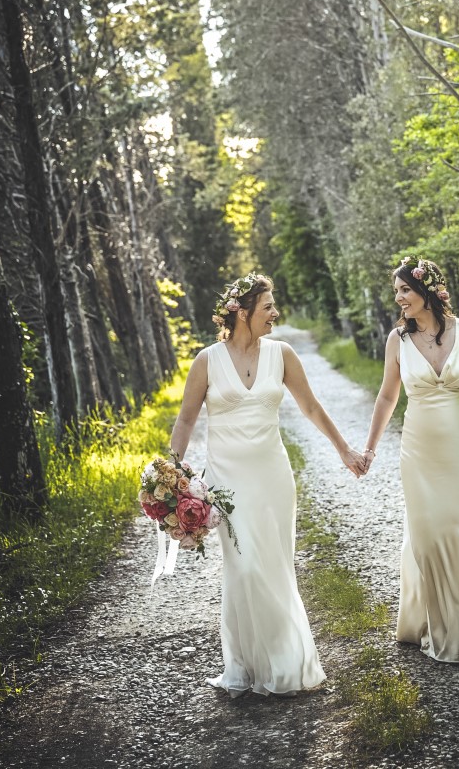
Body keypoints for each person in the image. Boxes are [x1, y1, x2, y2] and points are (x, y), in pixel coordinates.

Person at [168, 272, 366, 697]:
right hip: (226, 484)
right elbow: (186, 419)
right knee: (244, 568)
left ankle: (284, 662)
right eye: (267, 308)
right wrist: (173, 473)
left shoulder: (282, 354)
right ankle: (247, 664)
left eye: (274, 306)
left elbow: (311, 407)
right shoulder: (207, 360)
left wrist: (345, 450)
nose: (275, 314)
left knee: (273, 567)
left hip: (272, 477)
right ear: (241, 312)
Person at [361, 256, 459, 666]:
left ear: (427, 292)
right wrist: (370, 447)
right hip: (420, 452)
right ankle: (439, 626)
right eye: (396, 292)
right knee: (429, 535)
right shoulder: (397, 339)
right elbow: (386, 396)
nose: (398, 299)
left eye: (404, 291)